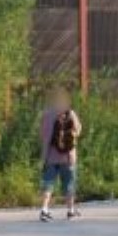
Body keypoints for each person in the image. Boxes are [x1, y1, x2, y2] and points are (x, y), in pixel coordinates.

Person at [39, 87, 82, 222]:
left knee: (48, 184)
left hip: (51, 156)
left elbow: (43, 136)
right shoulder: (70, 113)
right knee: (69, 183)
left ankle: (44, 209)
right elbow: (78, 131)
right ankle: (70, 210)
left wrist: (44, 156)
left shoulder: (46, 115)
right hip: (68, 157)